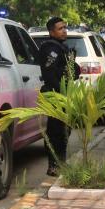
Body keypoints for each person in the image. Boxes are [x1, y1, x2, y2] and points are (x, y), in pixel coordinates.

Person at [38, 16, 80, 177]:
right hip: (56, 95)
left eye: (65, 27)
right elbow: (50, 75)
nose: (64, 31)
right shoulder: (51, 49)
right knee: (55, 131)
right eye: (60, 28)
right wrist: (61, 92)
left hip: (65, 95)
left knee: (65, 131)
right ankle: (54, 165)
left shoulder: (63, 47)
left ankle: (61, 162)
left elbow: (72, 70)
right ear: (51, 32)